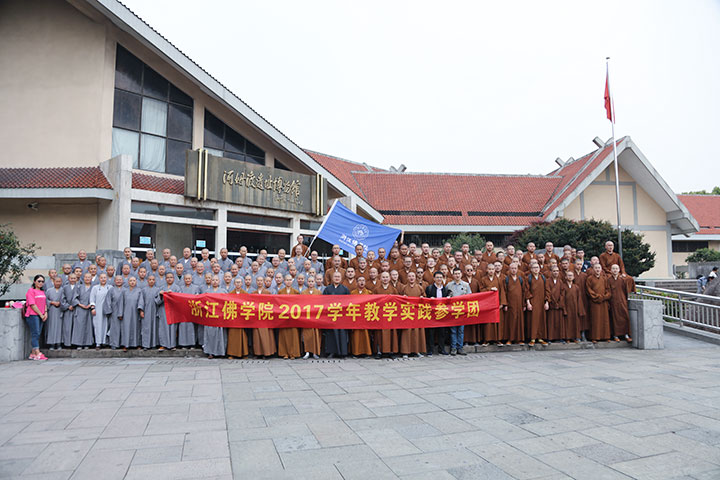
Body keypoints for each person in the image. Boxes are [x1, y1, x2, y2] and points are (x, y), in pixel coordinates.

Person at [322, 271, 350, 358]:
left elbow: (349, 302)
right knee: (331, 334)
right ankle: (331, 352)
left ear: (341, 278)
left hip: (341, 315)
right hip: (331, 315)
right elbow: (324, 302)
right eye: (335, 277)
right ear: (332, 278)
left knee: (342, 333)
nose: (337, 278)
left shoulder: (345, 289)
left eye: (338, 277)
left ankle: (342, 353)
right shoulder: (327, 289)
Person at [399, 271, 426, 357]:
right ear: (407, 278)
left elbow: (425, 297)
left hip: (417, 312)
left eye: (413, 276)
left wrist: (422, 298)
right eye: (409, 276)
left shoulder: (419, 287)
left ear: (415, 277)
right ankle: (405, 351)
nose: (411, 278)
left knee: (417, 332)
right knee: (407, 332)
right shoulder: (403, 288)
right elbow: (398, 299)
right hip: (407, 313)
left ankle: (417, 351)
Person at [373, 271, 399, 358]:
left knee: (391, 333)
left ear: (390, 278)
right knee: (379, 334)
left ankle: (391, 351)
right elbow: (373, 302)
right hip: (380, 315)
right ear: (380, 279)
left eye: (387, 277)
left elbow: (398, 302)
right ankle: (379, 352)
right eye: (383, 277)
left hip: (390, 314)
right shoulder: (376, 289)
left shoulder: (394, 290)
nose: (385, 279)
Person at [446, 268, 471, 355]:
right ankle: (453, 348)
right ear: (453, 275)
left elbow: (469, 297)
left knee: (460, 330)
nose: (457, 275)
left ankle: (460, 347)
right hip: (452, 311)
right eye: (455, 274)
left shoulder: (466, 285)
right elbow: (446, 298)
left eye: (458, 274)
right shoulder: (449, 285)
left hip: (462, 311)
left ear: (461, 274)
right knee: (453, 330)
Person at [425, 271, 450, 355]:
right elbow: (425, 300)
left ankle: (441, 349)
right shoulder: (429, 288)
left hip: (442, 313)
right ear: (434, 278)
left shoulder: (445, 289)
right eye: (437, 277)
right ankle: (430, 350)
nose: (439, 279)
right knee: (431, 333)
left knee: (442, 332)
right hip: (431, 314)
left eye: (440, 277)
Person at [586, 263, 612, 342]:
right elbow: (589, 290)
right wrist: (598, 297)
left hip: (603, 302)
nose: (597, 269)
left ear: (601, 269)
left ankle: (606, 336)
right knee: (595, 320)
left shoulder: (604, 279)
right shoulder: (589, 278)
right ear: (593, 269)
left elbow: (608, 290)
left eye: (599, 268)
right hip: (594, 302)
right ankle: (594, 337)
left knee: (605, 320)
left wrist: (604, 297)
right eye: (596, 268)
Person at [277, 275, 301, 359]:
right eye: (287, 280)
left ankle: (293, 353)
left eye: (290, 280)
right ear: (284, 281)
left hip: (293, 317)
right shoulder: (280, 292)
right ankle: (284, 353)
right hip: (283, 317)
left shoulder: (296, 292)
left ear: (292, 281)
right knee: (283, 335)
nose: (288, 281)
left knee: (293, 335)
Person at [348, 275, 374, 357]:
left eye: (363, 280)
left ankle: (366, 352)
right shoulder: (352, 293)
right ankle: (355, 352)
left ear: (365, 283)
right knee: (355, 335)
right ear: (356, 283)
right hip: (355, 316)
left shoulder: (369, 293)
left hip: (365, 316)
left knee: (366, 335)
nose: (361, 282)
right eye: (360, 280)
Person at [501, 263, 525, 345]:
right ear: (509, 269)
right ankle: (510, 339)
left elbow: (524, 292)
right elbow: (504, 292)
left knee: (520, 321)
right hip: (510, 304)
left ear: (517, 269)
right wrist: (505, 304)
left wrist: (524, 304)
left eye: (515, 268)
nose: (514, 270)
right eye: (512, 268)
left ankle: (520, 339)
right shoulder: (506, 279)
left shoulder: (520, 279)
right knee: (511, 322)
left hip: (519, 304)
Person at [525, 262, 549, 346]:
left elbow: (547, 290)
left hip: (542, 302)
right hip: (533, 302)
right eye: (534, 267)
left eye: (537, 267)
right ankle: (532, 338)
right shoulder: (528, 278)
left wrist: (547, 302)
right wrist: (528, 303)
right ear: (531, 269)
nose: (536, 269)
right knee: (533, 320)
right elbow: (526, 291)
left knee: (541, 320)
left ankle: (540, 338)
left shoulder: (543, 278)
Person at [25, 275, 48, 360]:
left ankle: (33, 353)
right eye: (39, 281)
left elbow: (44, 303)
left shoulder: (42, 292)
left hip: (41, 315)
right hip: (33, 315)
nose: (41, 283)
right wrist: (40, 314)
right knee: (35, 333)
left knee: (38, 334)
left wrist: (45, 313)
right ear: (34, 281)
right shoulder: (31, 291)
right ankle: (37, 353)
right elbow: (32, 304)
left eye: (42, 281)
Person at [607, 264, 632, 342]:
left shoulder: (623, 279)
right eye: (613, 268)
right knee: (614, 319)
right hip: (613, 302)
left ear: (619, 270)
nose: (615, 270)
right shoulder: (608, 280)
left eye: (616, 268)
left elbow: (626, 291)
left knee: (625, 317)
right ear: (611, 270)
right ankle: (615, 335)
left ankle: (626, 334)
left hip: (622, 301)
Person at [300, 275, 323, 359]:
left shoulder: (319, 292)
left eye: (312, 281)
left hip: (316, 316)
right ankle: (307, 351)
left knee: (316, 335)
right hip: (307, 316)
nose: (311, 283)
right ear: (307, 282)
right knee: (307, 335)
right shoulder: (303, 293)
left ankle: (315, 352)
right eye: (309, 281)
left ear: (315, 282)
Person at [156, 272, 180, 351]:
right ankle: (163, 344)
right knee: (163, 327)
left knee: (173, 328)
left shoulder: (177, 288)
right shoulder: (162, 288)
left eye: (171, 277)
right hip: (163, 310)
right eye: (168, 277)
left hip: (173, 310)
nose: (169, 279)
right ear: (165, 279)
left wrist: (172, 295)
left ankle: (172, 345)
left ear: (174, 278)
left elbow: (180, 300)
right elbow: (157, 301)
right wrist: (161, 295)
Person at [479, 263, 502, 346]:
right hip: (487, 304)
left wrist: (502, 303)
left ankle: (497, 339)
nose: (491, 271)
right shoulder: (483, 279)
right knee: (487, 322)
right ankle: (486, 340)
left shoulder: (498, 279)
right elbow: (481, 290)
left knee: (496, 322)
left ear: (495, 270)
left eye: (492, 269)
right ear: (487, 270)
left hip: (496, 303)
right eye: (489, 269)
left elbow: (502, 291)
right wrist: (490, 289)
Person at [71, 272, 95, 349]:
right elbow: (74, 298)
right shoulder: (78, 287)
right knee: (79, 326)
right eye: (86, 277)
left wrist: (91, 305)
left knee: (88, 326)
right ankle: (79, 343)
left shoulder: (94, 287)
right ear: (83, 278)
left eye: (89, 277)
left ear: (91, 278)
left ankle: (87, 343)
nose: (87, 279)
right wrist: (80, 305)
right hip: (80, 308)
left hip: (89, 309)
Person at [138, 275, 160, 350]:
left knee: (154, 327)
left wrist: (161, 295)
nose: (151, 281)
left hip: (154, 311)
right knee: (146, 328)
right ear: (147, 280)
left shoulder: (157, 290)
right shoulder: (143, 290)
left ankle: (154, 344)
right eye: (150, 279)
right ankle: (145, 345)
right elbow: (141, 300)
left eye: (153, 280)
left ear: (155, 281)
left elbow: (159, 301)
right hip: (146, 311)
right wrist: (141, 310)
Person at [562, 270, 584, 343]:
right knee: (567, 323)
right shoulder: (563, 286)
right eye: (568, 275)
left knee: (575, 322)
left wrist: (579, 309)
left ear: (574, 277)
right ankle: (567, 338)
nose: (570, 277)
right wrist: (564, 308)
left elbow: (579, 299)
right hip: (567, 307)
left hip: (575, 307)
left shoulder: (576, 287)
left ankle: (575, 337)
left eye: (571, 275)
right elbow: (562, 298)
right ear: (565, 277)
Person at [104, 275, 125, 349]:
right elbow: (107, 301)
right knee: (114, 328)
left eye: (120, 280)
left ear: (123, 281)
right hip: (114, 311)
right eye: (117, 280)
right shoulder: (111, 290)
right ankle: (114, 343)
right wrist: (109, 311)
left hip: (124, 311)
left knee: (123, 328)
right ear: (114, 281)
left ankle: (123, 343)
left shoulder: (125, 290)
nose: (119, 281)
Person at [545, 266, 565, 343]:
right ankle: (550, 338)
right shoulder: (547, 281)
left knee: (559, 321)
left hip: (558, 305)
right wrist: (552, 301)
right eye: (554, 271)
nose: (556, 272)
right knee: (551, 321)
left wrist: (559, 302)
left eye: (557, 271)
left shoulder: (560, 281)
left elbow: (562, 293)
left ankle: (560, 337)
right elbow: (547, 291)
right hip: (551, 304)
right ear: (551, 272)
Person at [45, 276, 65, 350]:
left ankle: (59, 343)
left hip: (60, 310)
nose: (58, 283)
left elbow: (65, 299)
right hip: (52, 311)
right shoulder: (49, 290)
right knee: (51, 327)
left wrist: (61, 303)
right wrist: (52, 302)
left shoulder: (63, 290)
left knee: (60, 328)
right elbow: (46, 300)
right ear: (53, 282)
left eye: (59, 281)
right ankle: (51, 344)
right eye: (56, 281)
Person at [60, 273, 77, 348]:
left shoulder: (79, 287)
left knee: (76, 326)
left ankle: (75, 343)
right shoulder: (65, 287)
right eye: (71, 278)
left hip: (76, 309)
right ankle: (67, 343)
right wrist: (67, 306)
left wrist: (75, 304)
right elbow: (62, 298)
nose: (73, 280)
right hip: (67, 309)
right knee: (67, 327)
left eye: (74, 278)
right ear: (68, 279)